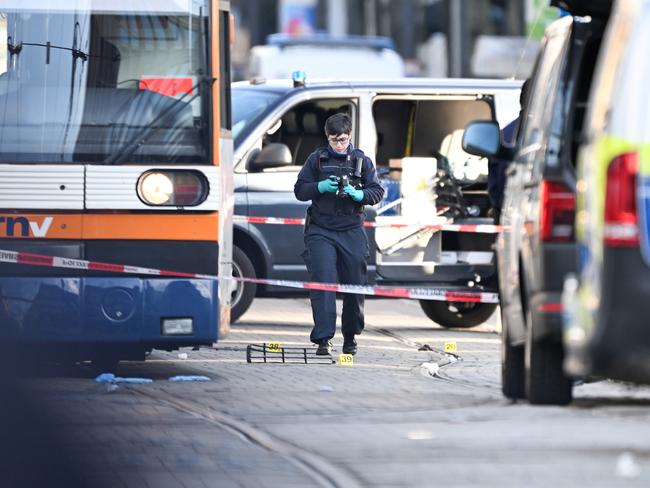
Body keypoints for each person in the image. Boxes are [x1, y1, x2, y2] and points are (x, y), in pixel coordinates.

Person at [294, 113, 384, 356]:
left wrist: (359, 195)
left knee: (355, 285)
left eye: (343, 140)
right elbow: (300, 190)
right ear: (327, 138)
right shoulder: (317, 160)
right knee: (323, 282)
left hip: (351, 229)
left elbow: (377, 191)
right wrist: (320, 187)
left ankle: (351, 337)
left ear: (350, 136)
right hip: (321, 230)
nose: (339, 145)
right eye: (334, 141)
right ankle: (323, 340)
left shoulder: (362, 161)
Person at [487, 78, 530, 223]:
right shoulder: (559, 136)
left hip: (511, 219)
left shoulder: (505, 136)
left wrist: (499, 213)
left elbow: (496, 189)